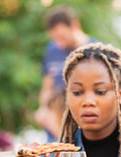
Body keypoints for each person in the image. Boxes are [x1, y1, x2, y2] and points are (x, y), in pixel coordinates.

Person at [38, 6, 95, 140]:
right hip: (55, 125)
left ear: (75, 26)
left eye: (62, 37)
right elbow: (47, 86)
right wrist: (43, 109)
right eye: (55, 38)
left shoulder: (95, 51)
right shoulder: (52, 50)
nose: (59, 43)